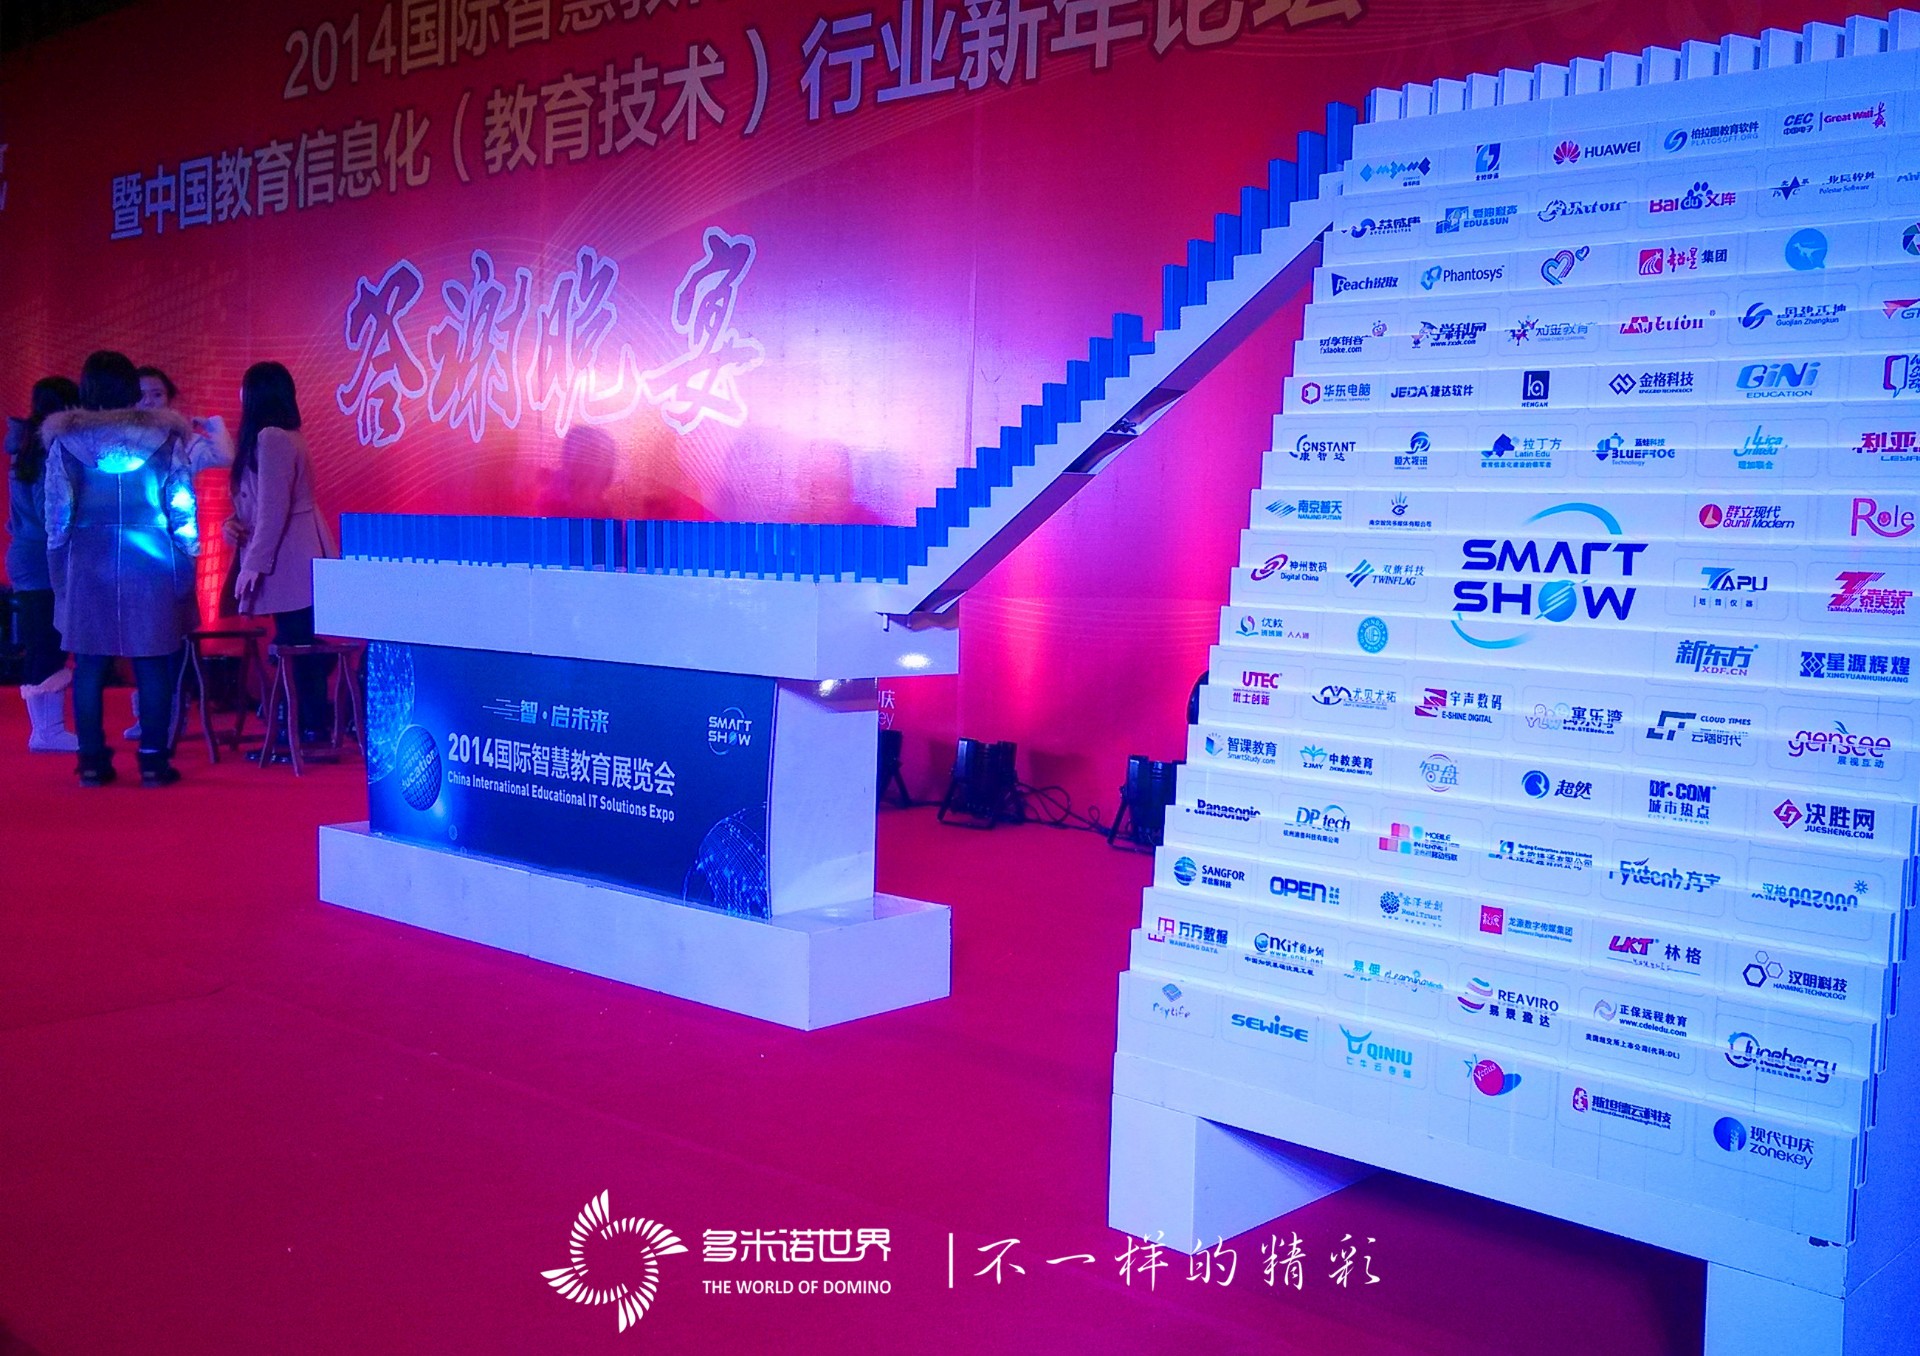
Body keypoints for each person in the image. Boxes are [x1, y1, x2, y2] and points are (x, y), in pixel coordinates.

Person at [43, 350, 217, 785]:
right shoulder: (164, 438)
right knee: (153, 662)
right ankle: (154, 760)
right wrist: (187, 563)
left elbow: (57, 518)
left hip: (88, 563)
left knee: (89, 666)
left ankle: (91, 761)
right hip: (152, 561)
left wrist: (59, 574)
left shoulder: (67, 442)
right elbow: (183, 509)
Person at [227, 361, 335, 742]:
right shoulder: (284, 435)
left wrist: (253, 565)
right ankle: (307, 725)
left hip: (289, 555)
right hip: (294, 549)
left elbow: (273, 511)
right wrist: (232, 526)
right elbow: (259, 506)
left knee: (296, 641)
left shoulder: (272, 437)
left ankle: (308, 726)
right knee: (296, 638)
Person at [122, 364, 230, 738]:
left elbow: (225, 457)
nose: (149, 401)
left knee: (173, 631)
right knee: (138, 632)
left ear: (169, 399)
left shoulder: (184, 441)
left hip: (175, 548)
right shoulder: (123, 439)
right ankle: (148, 714)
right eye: (142, 395)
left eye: (157, 394)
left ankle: (173, 712)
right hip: (134, 549)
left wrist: (211, 426)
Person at [6, 376, 82, 752]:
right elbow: (49, 513)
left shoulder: (25, 446)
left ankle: (46, 728)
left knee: (41, 640)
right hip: (43, 559)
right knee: (47, 641)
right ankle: (47, 731)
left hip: (26, 555)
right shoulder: (47, 449)